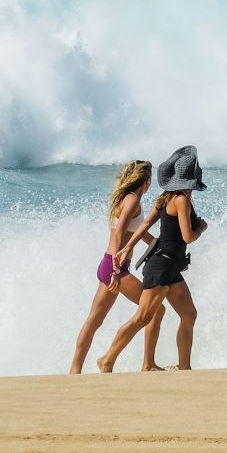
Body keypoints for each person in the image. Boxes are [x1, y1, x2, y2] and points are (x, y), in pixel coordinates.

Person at [98, 145, 208, 372]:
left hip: (168, 265)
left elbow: (146, 224)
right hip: (162, 266)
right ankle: (107, 359)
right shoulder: (182, 200)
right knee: (142, 317)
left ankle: (184, 367)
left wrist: (128, 246)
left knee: (189, 313)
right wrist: (201, 229)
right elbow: (188, 236)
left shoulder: (165, 197)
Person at [68, 159, 165, 374]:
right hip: (115, 268)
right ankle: (144, 364)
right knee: (156, 309)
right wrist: (114, 269)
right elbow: (120, 233)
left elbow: (139, 235)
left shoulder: (127, 199)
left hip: (109, 264)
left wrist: (165, 249)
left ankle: (74, 372)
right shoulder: (132, 200)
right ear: (146, 180)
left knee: (94, 320)